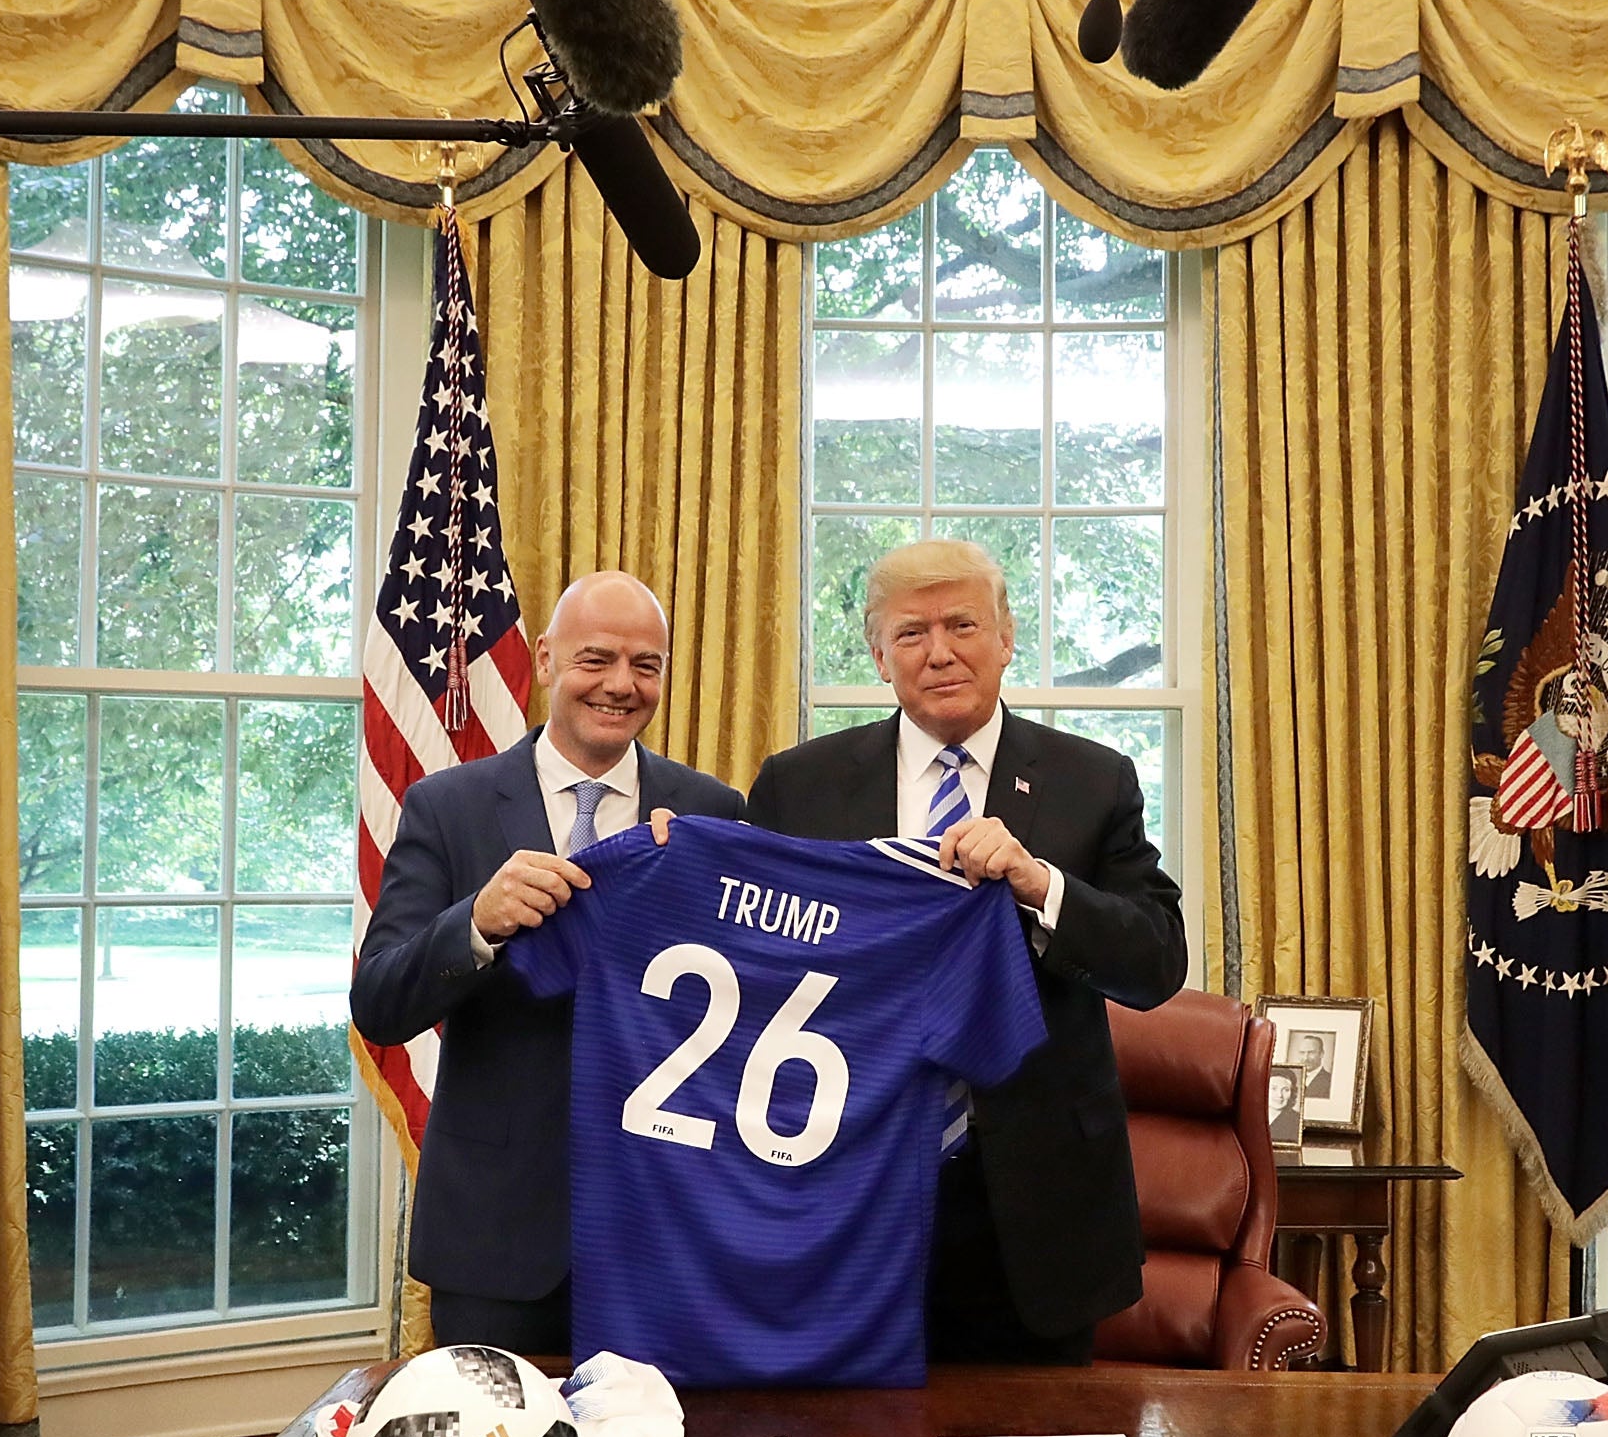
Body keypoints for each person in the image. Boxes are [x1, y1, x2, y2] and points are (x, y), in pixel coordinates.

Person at [746, 539, 1185, 1363]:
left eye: (963, 624)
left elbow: (1156, 962)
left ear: (1007, 637)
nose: (939, 652)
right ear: (878, 656)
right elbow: (750, 957)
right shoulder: (797, 787)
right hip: (843, 1190)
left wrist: (1038, 882)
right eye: (911, 634)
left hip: (1036, 1211)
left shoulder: (1093, 782)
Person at [351, 570, 744, 1358]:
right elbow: (380, 1002)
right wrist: (477, 923)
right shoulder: (448, 806)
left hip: (670, 1234)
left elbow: (755, 1009)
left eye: (646, 665)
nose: (621, 686)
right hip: (497, 1244)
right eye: (596, 659)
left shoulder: (715, 814)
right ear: (546, 657)